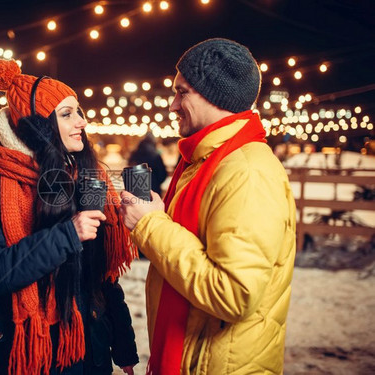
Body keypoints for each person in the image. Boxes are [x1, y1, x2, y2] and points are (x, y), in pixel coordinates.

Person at [120, 38, 296, 374]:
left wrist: (152, 225)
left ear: (214, 95)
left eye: (182, 92)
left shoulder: (246, 172)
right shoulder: (205, 160)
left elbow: (233, 294)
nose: (173, 105)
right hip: (192, 357)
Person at [0, 58, 139, 375]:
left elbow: (103, 278)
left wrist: (123, 345)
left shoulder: (89, 176)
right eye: (67, 114)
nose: (81, 122)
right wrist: (66, 236)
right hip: (30, 357)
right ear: (38, 126)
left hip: (92, 355)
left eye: (80, 112)